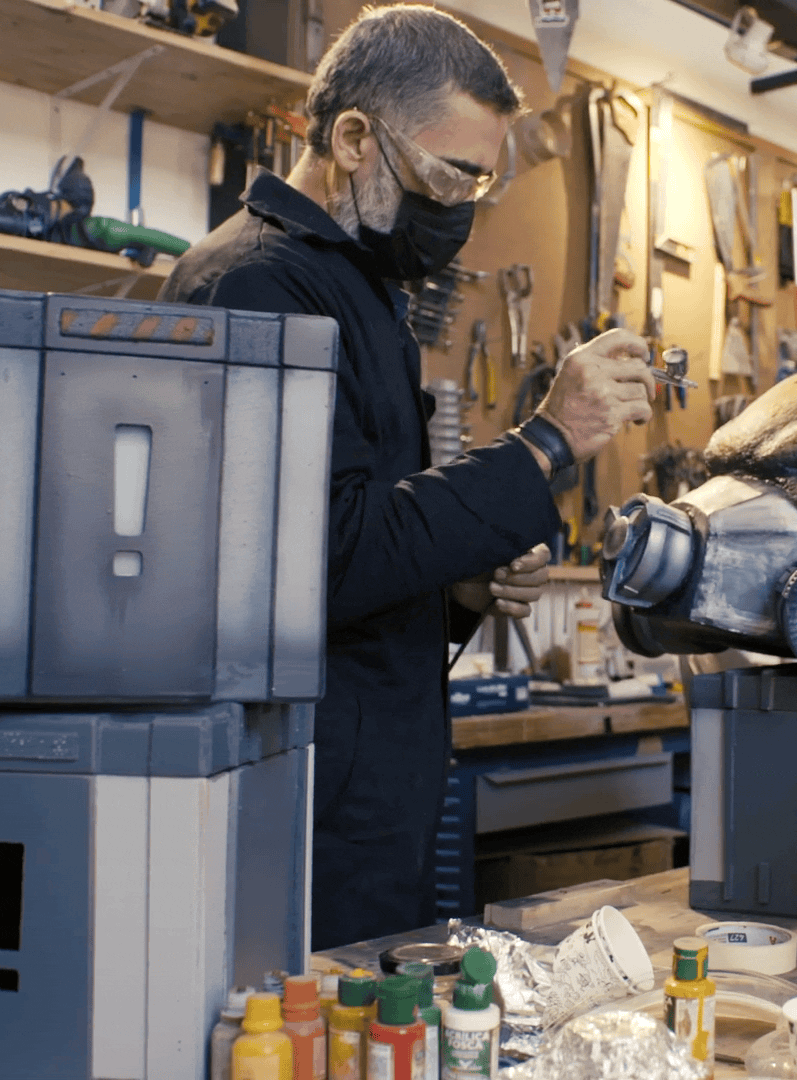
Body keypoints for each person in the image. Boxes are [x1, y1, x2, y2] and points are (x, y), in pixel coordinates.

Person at [160, 4, 655, 948]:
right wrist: (547, 442)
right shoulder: (259, 287)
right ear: (354, 138)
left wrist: (456, 591)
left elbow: (362, 536)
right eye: (450, 173)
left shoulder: (353, 289)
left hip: (364, 779)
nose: (462, 206)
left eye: (481, 181)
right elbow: (323, 559)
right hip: (299, 793)